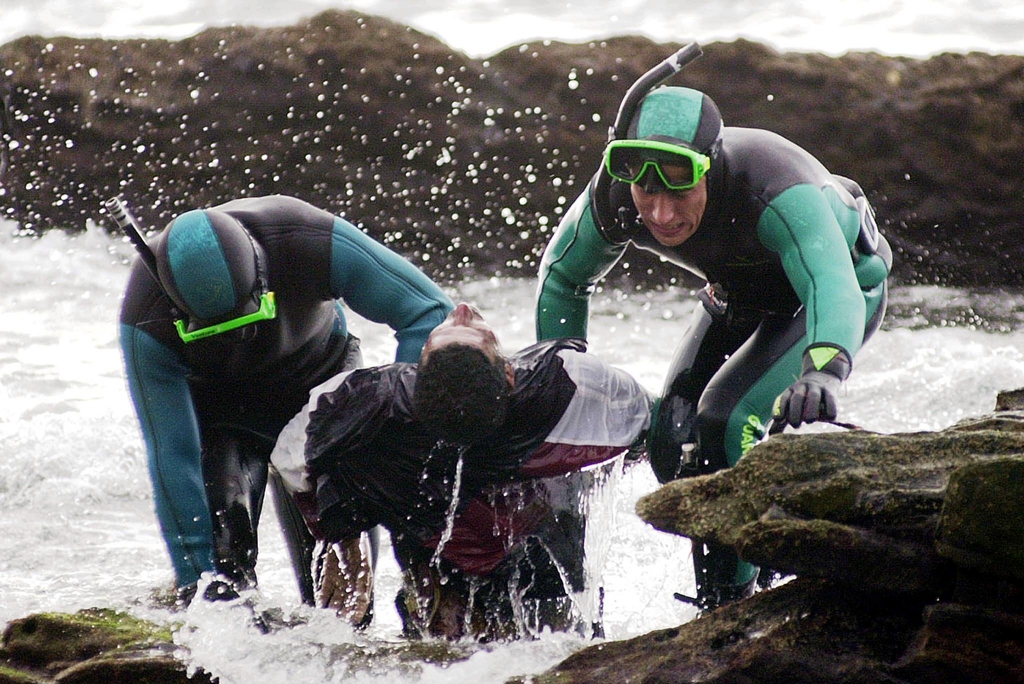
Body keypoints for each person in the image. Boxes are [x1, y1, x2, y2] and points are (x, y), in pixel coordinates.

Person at [535, 84, 892, 612]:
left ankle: (730, 606)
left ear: (710, 168)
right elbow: (563, 278)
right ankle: (757, 555)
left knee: (725, 421)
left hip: (835, 296)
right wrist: (556, 375)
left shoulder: (774, 189)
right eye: (646, 193)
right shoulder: (614, 196)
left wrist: (824, 368)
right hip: (735, 294)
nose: (661, 214)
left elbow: (830, 283)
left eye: (679, 193)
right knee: (671, 439)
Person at [118, 194, 454, 622]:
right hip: (224, 416)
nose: (238, 338)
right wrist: (194, 586)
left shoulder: (305, 239)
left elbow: (429, 312)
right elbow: (172, 455)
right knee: (220, 587)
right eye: (216, 331)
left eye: (247, 320)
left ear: (263, 278)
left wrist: (387, 439)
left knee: (347, 610)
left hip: (324, 388)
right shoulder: (146, 317)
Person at [270, 302, 652, 640]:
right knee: (562, 649)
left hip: (467, 554)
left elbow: (291, 461)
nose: (462, 309)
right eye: (482, 336)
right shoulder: (569, 385)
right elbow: (652, 431)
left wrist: (343, 538)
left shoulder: (365, 400)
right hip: (538, 554)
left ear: (415, 374)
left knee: (441, 652)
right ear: (508, 373)